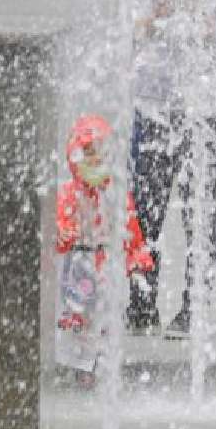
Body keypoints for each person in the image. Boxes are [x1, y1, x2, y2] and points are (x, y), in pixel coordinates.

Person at [128, 0, 216, 339]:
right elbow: (131, 41)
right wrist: (150, 21)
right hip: (154, 109)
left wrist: (197, 14)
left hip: (205, 114)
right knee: (146, 208)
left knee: (198, 209)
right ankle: (140, 302)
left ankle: (194, 307)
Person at [55, 114, 154, 385]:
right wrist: (63, 235)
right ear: (74, 156)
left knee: (110, 310)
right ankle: (83, 363)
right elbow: (59, 231)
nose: (95, 160)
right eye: (88, 153)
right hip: (80, 263)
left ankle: (102, 359)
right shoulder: (68, 193)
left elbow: (130, 227)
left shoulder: (117, 194)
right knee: (81, 312)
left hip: (109, 262)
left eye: (100, 152)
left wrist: (137, 255)